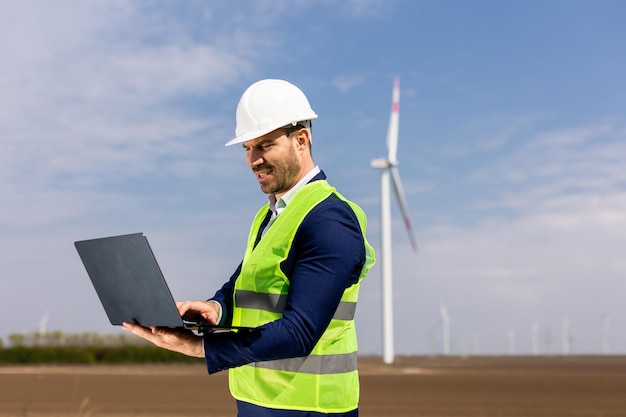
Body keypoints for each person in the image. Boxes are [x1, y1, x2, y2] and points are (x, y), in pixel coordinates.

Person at [123, 79, 375, 417]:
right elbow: (247, 283)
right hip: (256, 400)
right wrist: (217, 309)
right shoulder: (269, 215)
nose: (253, 159)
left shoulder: (329, 220)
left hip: (309, 408)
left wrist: (202, 346)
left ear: (301, 140)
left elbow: (300, 331)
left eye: (265, 145)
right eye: (247, 148)